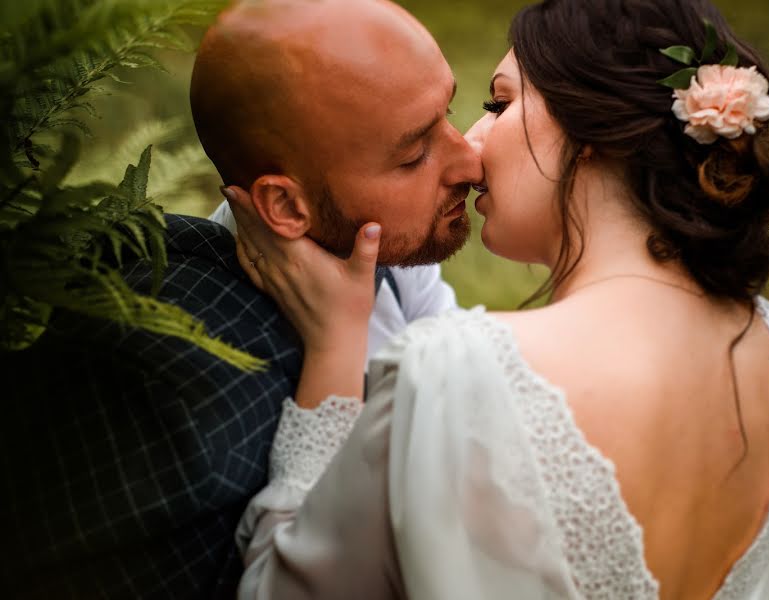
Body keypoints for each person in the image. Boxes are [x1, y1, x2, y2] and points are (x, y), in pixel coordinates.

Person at [228, 0, 769, 598]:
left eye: (500, 103)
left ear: (591, 128)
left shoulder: (454, 373)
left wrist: (333, 348)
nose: (473, 147)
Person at [1, 0, 481, 597]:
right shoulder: (179, 385)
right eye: (414, 155)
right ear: (283, 207)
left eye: (450, 113)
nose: (471, 161)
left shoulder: (383, 251)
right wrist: (337, 342)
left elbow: (468, 392)